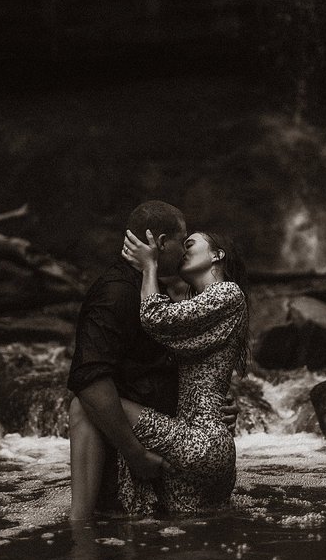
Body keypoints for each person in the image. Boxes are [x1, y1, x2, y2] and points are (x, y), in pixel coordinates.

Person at [66, 201, 239, 520]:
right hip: (183, 442)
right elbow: (89, 378)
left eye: (191, 243)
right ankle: (81, 527)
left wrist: (216, 404)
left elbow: (170, 344)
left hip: (189, 440)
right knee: (194, 546)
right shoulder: (116, 294)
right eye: (182, 241)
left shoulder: (159, 291)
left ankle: (80, 534)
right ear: (161, 243)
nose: (185, 251)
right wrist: (134, 453)